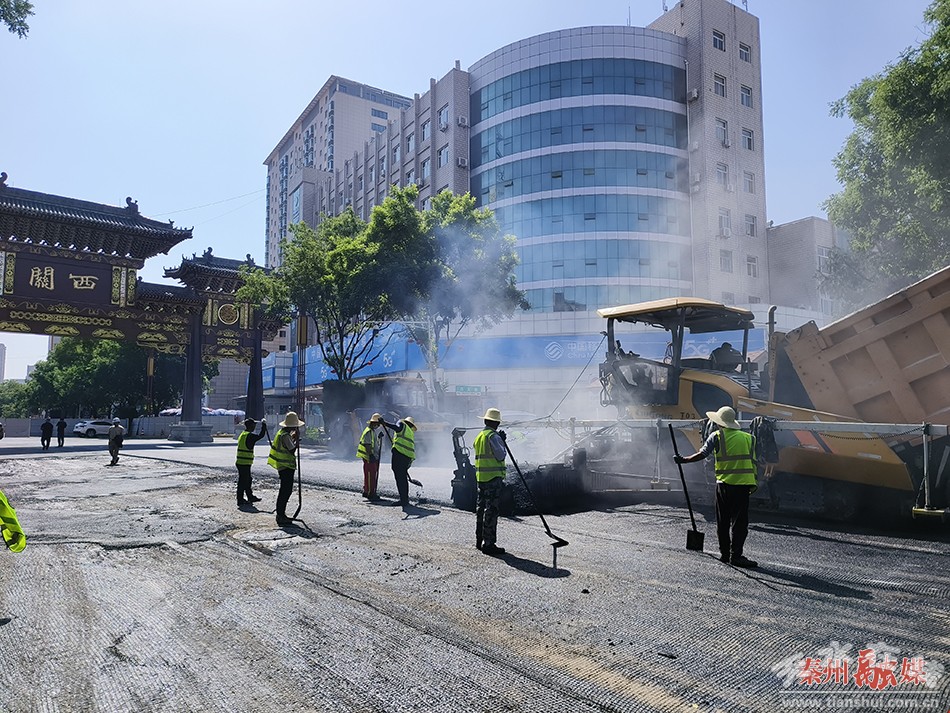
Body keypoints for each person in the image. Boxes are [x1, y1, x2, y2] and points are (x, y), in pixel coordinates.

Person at [673, 405, 758, 568]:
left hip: (724, 485)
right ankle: (736, 556)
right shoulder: (749, 438)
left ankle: (725, 554)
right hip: (743, 485)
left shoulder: (717, 436)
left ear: (719, 423)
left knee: (723, 520)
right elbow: (755, 462)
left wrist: (683, 460)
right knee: (739, 523)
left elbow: (702, 454)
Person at [474, 407, 508, 556]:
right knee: (491, 510)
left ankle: (479, 540)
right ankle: (488, 544)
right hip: (493, 478)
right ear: (496, 423)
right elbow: (500, 456)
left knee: (481, 509)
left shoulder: (480, 436)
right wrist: (503, 442)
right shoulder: (493, 437)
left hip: (481, 478)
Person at [267, 411, 303, 526]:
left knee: (284, 490)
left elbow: (288, 446)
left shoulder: (282, 433)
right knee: (285, 491)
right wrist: (296, 442)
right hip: (286, 467)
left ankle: (281, 514)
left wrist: (294, 439)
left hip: (283, 466)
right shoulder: (285, 435)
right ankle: (281, 515)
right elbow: (291, 450)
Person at [381, 415, 417, 507]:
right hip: (407, 457)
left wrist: (384, 423)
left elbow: (397, 428)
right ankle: (405, 499)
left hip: (400, 455)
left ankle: (403, 500)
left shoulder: (402, 424)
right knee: (403, 477)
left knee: (400, 477)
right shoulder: (410, 431)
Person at [236, 418, 267, 508]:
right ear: (250, 426)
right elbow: (261, 436)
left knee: (248, 480)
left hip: (241, 462)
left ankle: (250, 496)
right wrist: (264, 426)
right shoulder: (249, 436)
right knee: (243, 482)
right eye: (254, 425)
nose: (254, 427)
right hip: (244, 462)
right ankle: (240, 500)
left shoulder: (243, 434)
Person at [357, 413, 383, 500]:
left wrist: (379, 438)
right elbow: (367, 444)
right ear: (374, 423)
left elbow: (373, 443)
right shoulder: (368, 431)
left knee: (371, 474)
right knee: (370, 476)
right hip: (369, 457)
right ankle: (370, 493)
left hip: (372, 457)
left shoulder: (372, 431)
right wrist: (371, 455)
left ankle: (366, 491)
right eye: (378, 424)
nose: (378, 426)